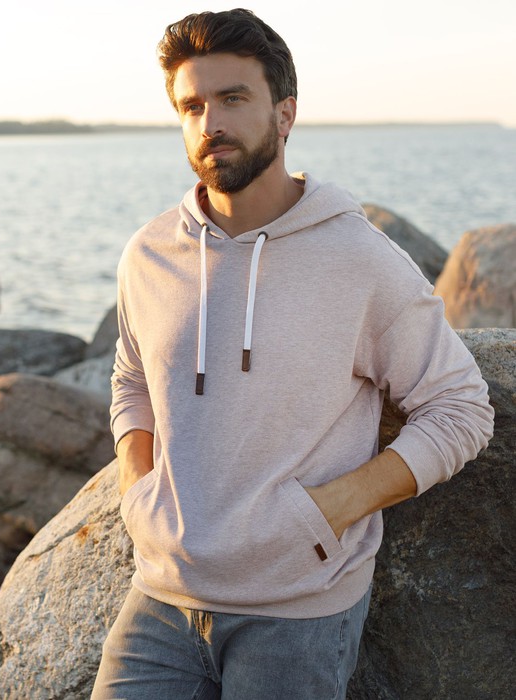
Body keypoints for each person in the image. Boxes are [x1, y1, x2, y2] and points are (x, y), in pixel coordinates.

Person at [91, 9, 494, 699]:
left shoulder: (359, 260)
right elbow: (132, 375)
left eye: (233, 98)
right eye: (192, 106)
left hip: (298, 611)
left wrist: (327, 512)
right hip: (161, 597)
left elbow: (461, 407)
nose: (210, 123)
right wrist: (138, 490)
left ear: (285, 113)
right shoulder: (150, 255)